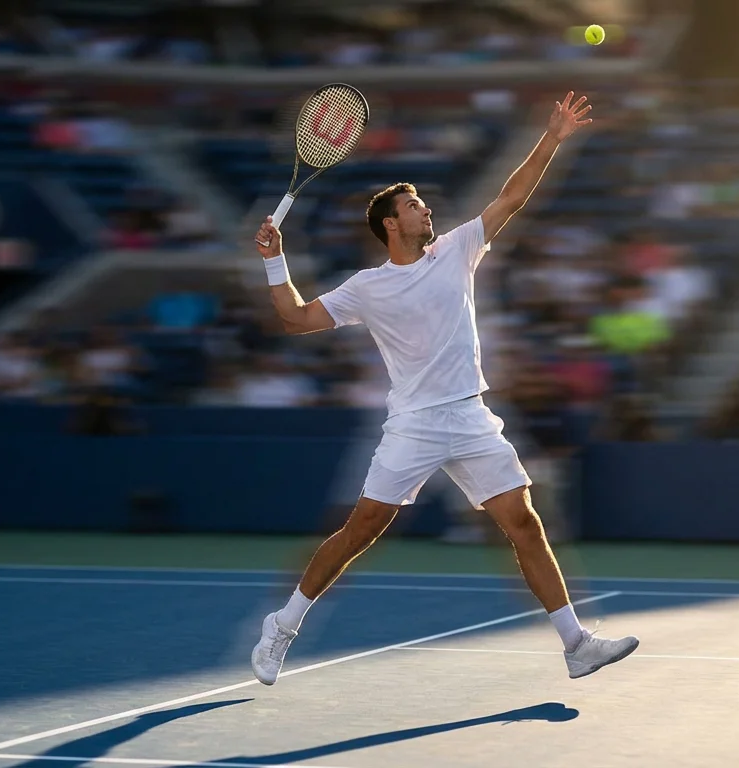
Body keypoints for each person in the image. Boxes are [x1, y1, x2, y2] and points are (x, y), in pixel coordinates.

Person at [249, 92, 639, 684]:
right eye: (415, 207)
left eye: (425, 206)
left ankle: (576, 644)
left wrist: (552, 138)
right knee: (360, 531)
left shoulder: (457, 250)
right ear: (390, 223)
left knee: (524, 521)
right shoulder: (366, 287)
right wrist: (276, 263)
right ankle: (282, 626)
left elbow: (511, 196)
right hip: (414, 424)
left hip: (472, 418)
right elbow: (296, 319)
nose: (427, 213)